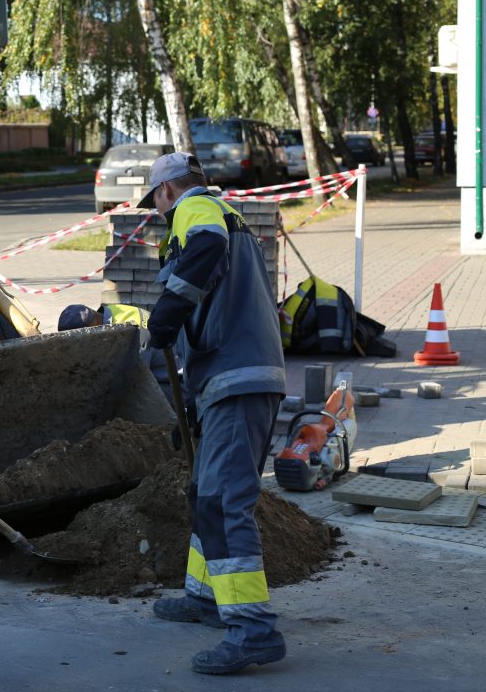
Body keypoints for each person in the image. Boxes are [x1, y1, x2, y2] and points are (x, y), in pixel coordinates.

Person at [137, 151, 287, 675]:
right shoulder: (230, 215)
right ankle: (205, 597)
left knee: (225, 505)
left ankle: (252, 628)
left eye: (156, 202)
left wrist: (167, 310)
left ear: (166, 191)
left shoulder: (196, 209)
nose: (159, 213)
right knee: (205, 493)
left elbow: (205, 249)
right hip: (229, 378)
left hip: (237, 376)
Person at [57, 303, 172, 405]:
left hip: (171, 388)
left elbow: (133, 383)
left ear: (93, 326)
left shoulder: (133, 331)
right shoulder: (108, 315)